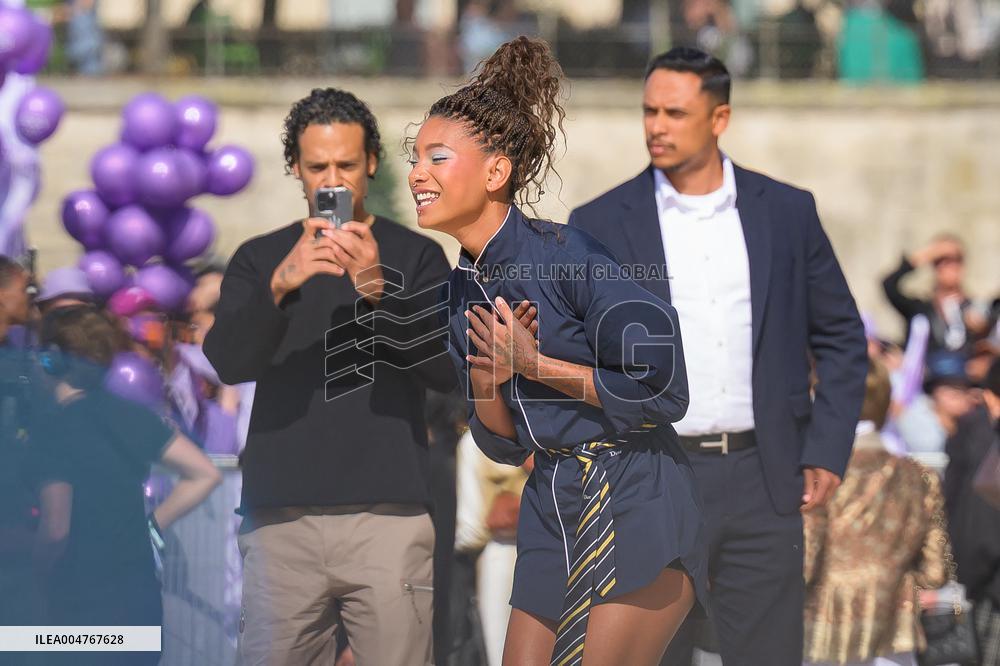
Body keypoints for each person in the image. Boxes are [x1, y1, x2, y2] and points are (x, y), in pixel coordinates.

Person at [409, 36, 708, 665]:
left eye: (436, 157)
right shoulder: (456, 292)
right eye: (415, 159)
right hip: (549, 502)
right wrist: (491, 380)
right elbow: (501, 443)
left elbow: (665, 390)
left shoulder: (573, 255)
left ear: (496, 172)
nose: (416, 175)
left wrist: (537, 366)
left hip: (634, 494)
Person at [567, 47, 867, 665]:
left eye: (674, 112)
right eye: (649, 110)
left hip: (764, 477)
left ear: (719, 117)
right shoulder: (598, 222)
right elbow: (579, 353)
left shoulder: (786, 212)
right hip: (651, 478)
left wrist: (826, 450)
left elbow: (841, 336)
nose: (656, 125)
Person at [203, 87, 456, 665]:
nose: (333, 181)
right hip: (281, 519)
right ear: (295, 166)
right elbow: (228, 361)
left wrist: (375, 289)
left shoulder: (414, 255)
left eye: (346, 164)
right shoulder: (258, 256)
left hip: (388, 516)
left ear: (371, 162)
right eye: (318, 166)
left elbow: (447, 369)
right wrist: (278, 286)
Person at [29, 305, 221, 664]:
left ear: (51, 359)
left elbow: (56, 529)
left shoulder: (53, 430)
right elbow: (204, 473)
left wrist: (32, 580)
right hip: (139, 605)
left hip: (80, 609)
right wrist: (153, 525)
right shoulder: (132, 416)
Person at [803, 358, 948, 666]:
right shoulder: (920, 476)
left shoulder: (817, 475)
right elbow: (937, 570)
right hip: (894, 620)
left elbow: (806, 558)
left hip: (827, 622)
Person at [944, 357, 1000, 666]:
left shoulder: (982, 438)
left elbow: (980, 531)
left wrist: (964, 578)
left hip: (992, 592)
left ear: (990, 397)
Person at [882, 234, 989, 359]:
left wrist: (983, 332)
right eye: (941, 260)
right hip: (927, 376)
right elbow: (889, 285)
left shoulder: (977, 309)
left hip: (966, 376)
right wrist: (925, 255)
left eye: (956, 259)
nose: (950, 266)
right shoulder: (919, 309)